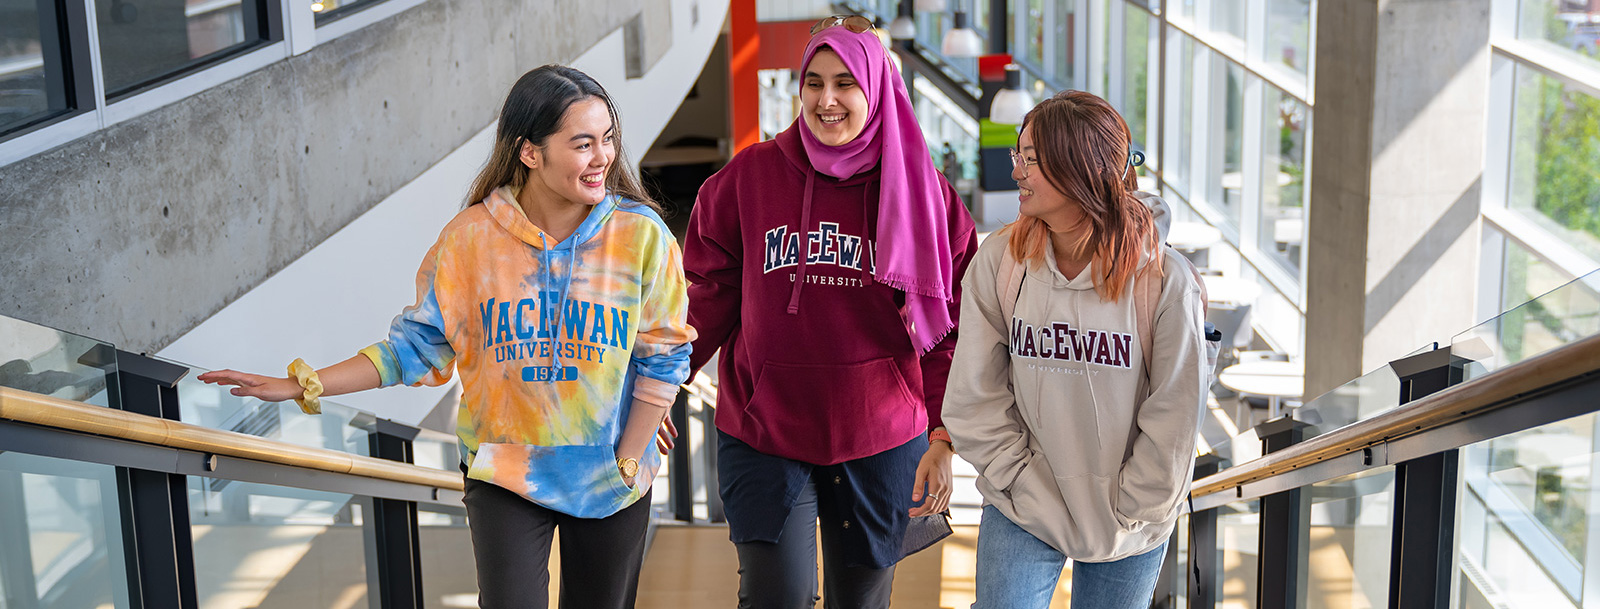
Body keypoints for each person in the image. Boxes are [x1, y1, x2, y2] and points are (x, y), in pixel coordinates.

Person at [197, 65, 694, 609]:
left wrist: (626, 458)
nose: (603, 156)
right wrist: (301, 384)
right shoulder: (470, 241)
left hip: (610, 472)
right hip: (504, 469)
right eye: (582, 143)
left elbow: (663, 356)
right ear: (530, 152)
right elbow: (413, 348)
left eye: (608, 138)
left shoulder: (642, 237)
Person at [681, 16, 977, 609]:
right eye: (813, 82)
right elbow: (702, 300)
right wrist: (660, 385)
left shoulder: (924, 192)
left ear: (876, 86)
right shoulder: (748, 178)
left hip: (882, 433)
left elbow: (951, 328)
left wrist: (944, 433)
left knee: (862, 603)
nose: (827, 99)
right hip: (766, 427)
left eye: (845, 82)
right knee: (774, 598)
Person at [941, 90, 1207, 609]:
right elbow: (974, 393)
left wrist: (1132, 505)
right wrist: (1018, 479)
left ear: (1080, 167)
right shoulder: (1001, 262)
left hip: (1127, 521)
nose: (1014, 169)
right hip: (1023, 502)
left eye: (1031, 159)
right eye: (1018, 154)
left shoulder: (1165, 280)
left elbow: (1175, 414)